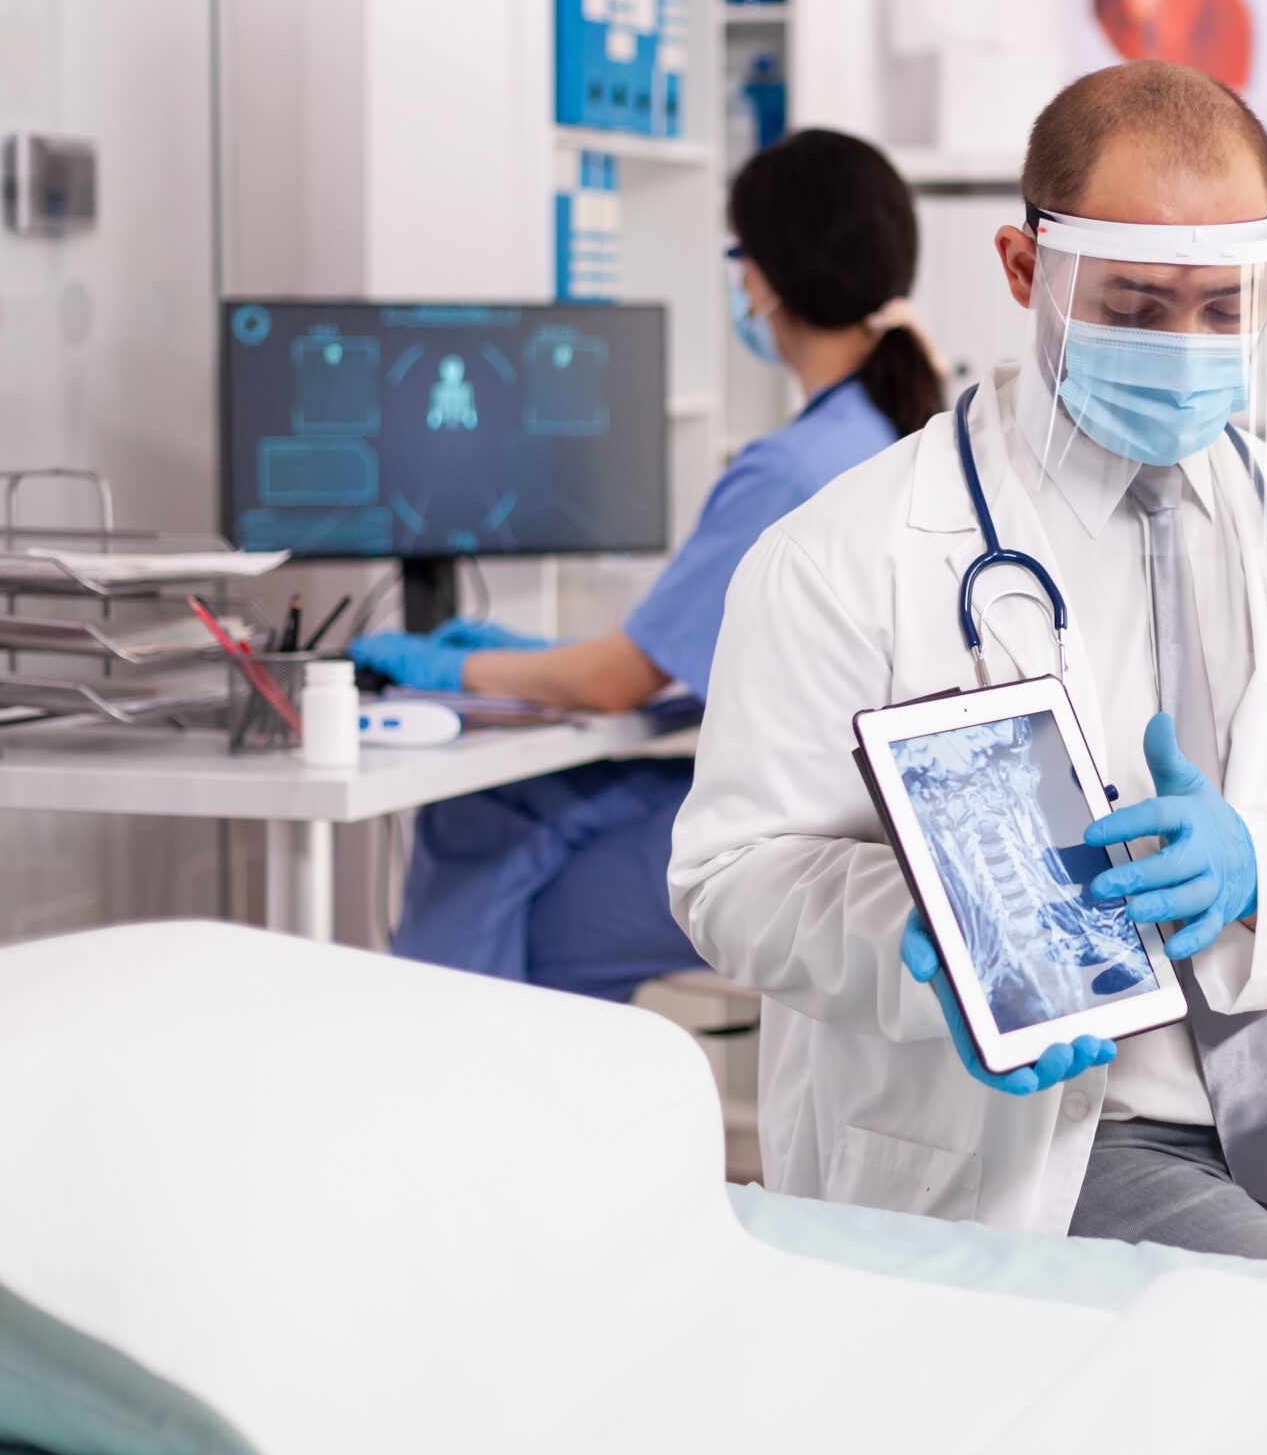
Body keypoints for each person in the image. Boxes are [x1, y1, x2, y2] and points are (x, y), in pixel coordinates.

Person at [670, 60, 1267, 1297]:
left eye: (1221, 311)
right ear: (1026, 271)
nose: (1183, 346)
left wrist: (1256, 863)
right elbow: (731, 876)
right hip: (1040, 1145)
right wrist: (928, 933)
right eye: (1133, 305)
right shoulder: (844, 553)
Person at [350, 130, 943, 1000]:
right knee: (496, 817)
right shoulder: (900, 426)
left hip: (808, 835)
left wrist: (452, 665)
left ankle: (448, 1086)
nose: (738, 281)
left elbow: (616, 682)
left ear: (768, 276)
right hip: (861, 817)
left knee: (505, 881)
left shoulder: (788, 467)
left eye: (739, 256)